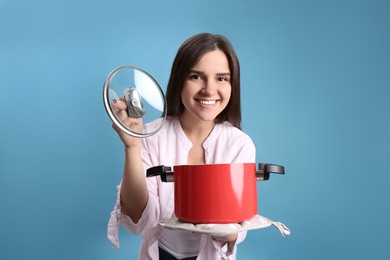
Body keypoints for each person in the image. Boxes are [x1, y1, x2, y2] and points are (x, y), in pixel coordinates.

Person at [107, 32, 256, 260]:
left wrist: (230, 228)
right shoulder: (150, 135)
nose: (209, 89)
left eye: (222, 78)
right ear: (179, 80)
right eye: (196, 76)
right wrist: (133, 147)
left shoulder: (239, 144)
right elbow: (138, 220)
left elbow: (235, 231)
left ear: (232, 85)